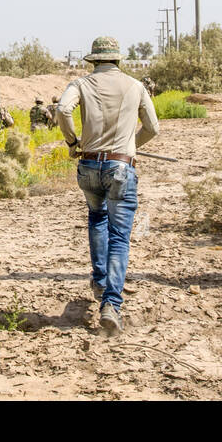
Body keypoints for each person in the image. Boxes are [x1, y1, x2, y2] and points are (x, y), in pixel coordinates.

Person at [55, 35, 160, 337]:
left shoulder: (81, 84)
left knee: (97, 217)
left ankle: (100, 280)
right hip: (121, 167)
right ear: (117, 60)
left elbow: (63, 111)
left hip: (88, 166)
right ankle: (111, 304)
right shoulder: (136, 86)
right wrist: (131, 147)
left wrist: (73, 142)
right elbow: (153, 127)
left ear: (93, 60)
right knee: (120, 236)